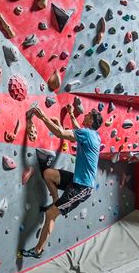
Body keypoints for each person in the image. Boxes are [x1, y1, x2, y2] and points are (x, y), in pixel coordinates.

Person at [20, 104, 103, 259]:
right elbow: (78, 129)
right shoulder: (93, 135)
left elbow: (60, 133)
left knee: (51, 215)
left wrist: (42, 116)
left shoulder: (87, 134)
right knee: (48, 174)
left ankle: (38, 250)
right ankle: (57, 201)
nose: (84, 115)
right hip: (76, 179)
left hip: (83, 188)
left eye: (87, 115)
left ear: (90, 122)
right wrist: (71, 115)